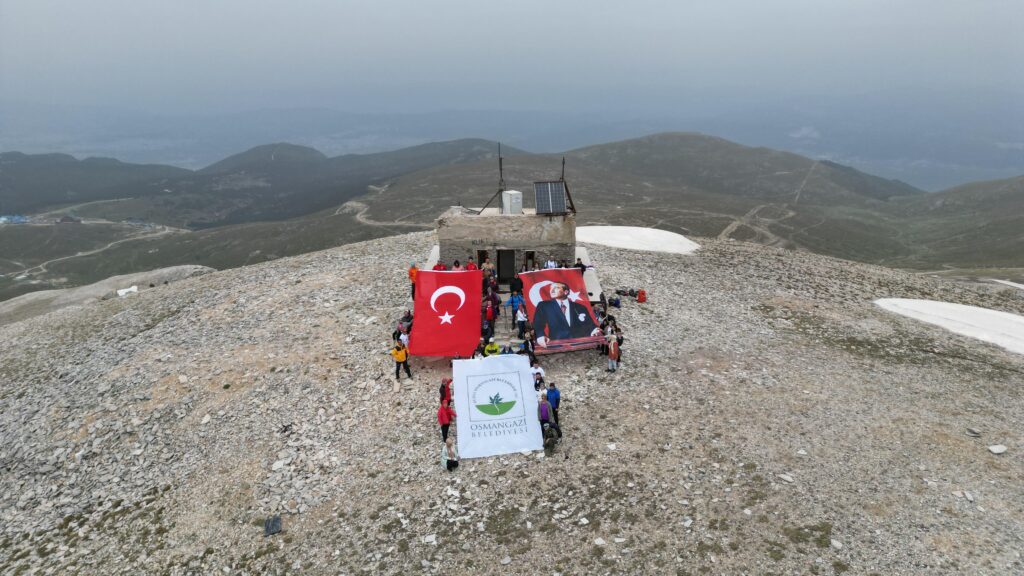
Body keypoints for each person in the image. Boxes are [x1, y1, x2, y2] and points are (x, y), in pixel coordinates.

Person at [532, 282, 601, 347]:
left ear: (566, 292)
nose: (551, 290)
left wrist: (595, 330)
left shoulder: (580, 307)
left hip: (580, 344)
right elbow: (538, 323)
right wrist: (540, 335)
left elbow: (589, 324)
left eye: (556, 288)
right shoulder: (544, 306)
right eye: (550, 288)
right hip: (556, 345)